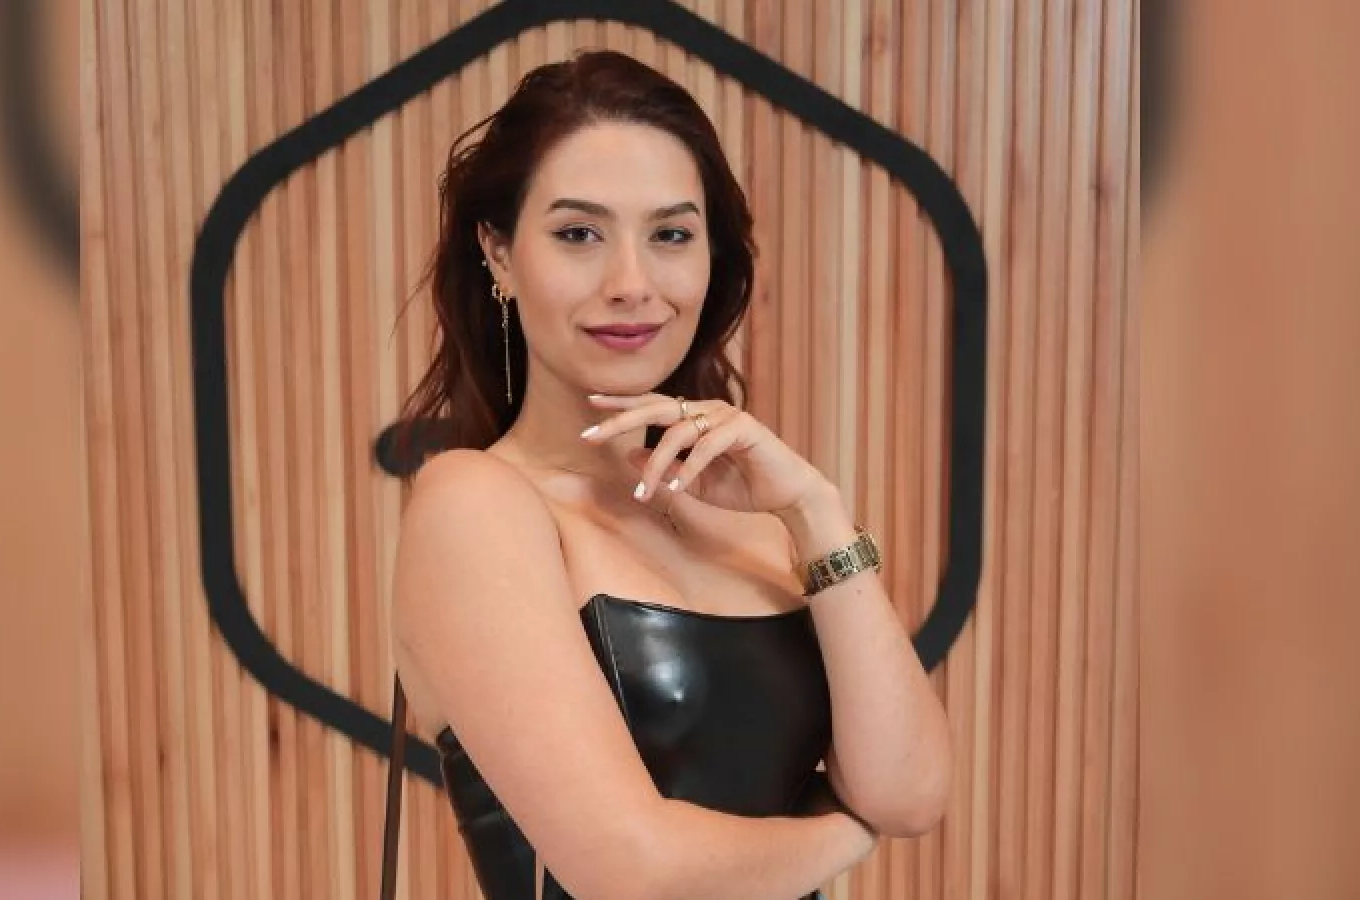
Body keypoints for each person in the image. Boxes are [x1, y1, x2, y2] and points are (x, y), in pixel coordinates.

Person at [389, 50, 950, 900]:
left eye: (671, 235)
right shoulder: (475, 505)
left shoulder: (756, 516)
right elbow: (632, 871)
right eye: (578, 234)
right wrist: (843, 833)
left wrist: (814, 511)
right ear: (498, 254)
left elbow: (909, 793)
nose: (631, 283)